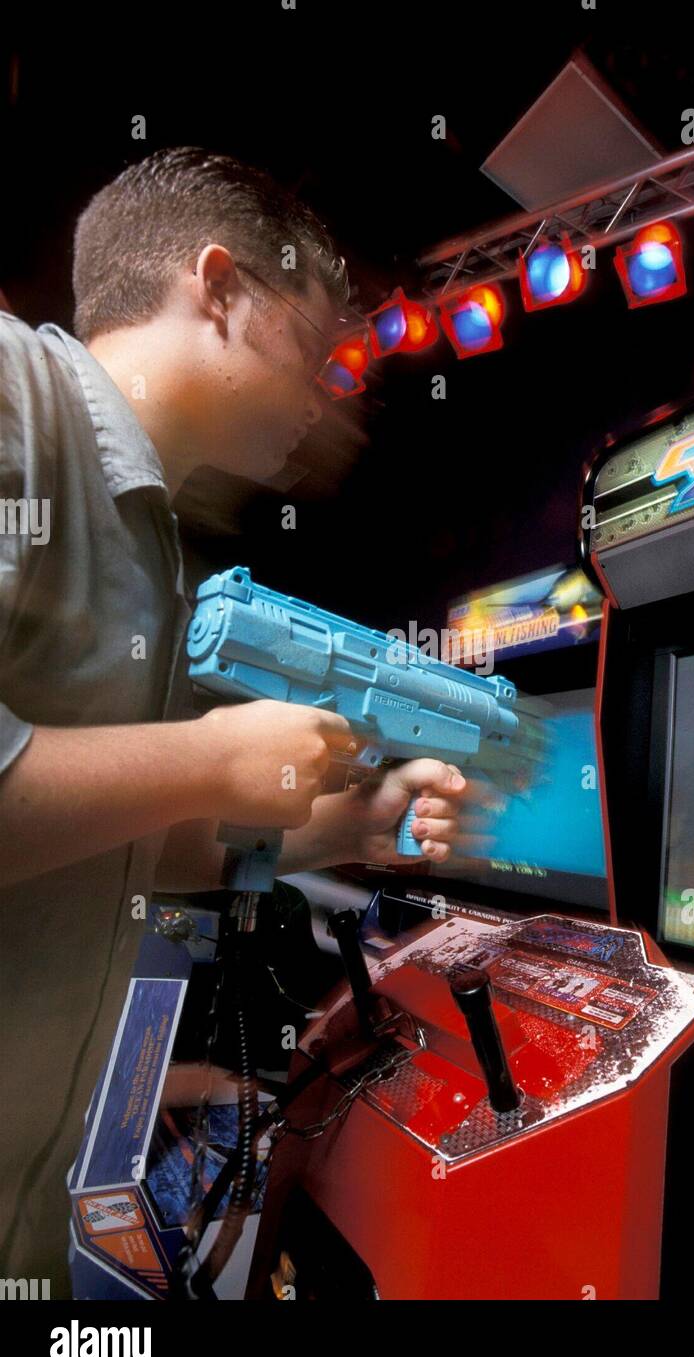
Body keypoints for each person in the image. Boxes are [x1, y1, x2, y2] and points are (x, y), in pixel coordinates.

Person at [0, 147, 467, 1297]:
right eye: (315, 352)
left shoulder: (155, 544)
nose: (322, 397)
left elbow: (135, 848)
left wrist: (346, 824)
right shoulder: (10, 388)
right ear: (218, 288)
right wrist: (216, 753)